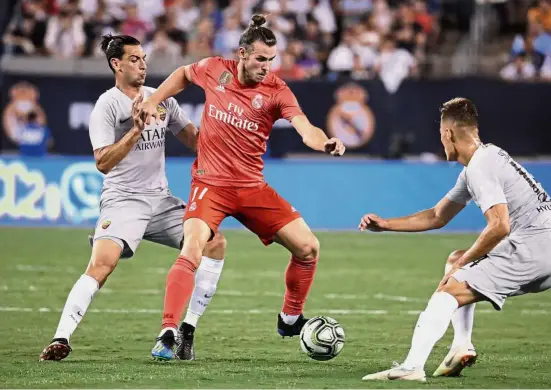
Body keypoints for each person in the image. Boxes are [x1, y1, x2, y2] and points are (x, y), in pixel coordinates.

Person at [138, 14, 346, 361]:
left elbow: (305, 127)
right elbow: (182, 75)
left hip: (251, 187)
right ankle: (170, 331)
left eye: (271, 60)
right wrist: (152, 100)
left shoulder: (277, 90)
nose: (267, 67)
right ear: (242, 54)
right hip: (210, 185)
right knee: (192, 249)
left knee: (308, 248)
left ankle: (290, 317)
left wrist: (324, 143)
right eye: (261, 59)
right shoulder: (214, 69)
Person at [39, 34, 227, 362]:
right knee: (102, 263)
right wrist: (136, 129)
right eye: (135, 59)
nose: (143, 65)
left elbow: (194, 141)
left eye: (143, 58)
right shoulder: (107, 105)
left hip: (161, 200)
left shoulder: (161, 98)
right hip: (123, 200)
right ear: (117, 64)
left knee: (214, 243)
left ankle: (185, 332)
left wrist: (221, 129)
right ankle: (61, 338)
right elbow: (103, 162)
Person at [359, 97, 551, 382]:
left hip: (534, 247)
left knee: (449, 289)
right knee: (455, 259)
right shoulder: (484, 160)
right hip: (550, 250)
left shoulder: (481, 166)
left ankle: (411, 368)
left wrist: (464, 266)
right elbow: (437, 216)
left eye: (441, 136)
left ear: (448, 134)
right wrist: (385, 224)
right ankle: (461, 346)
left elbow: (499, 226)